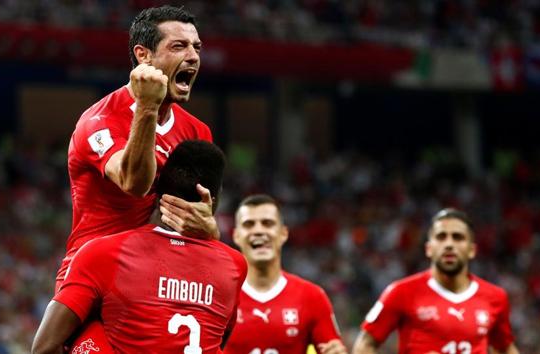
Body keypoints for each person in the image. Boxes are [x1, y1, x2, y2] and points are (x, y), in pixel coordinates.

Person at [32, 140, 248, 354]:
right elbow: (220, 339)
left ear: (155, 188)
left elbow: (44, 347)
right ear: (213, 199)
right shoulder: (235, 266)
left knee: (86, 333)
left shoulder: (103, 253)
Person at [57, 5, 216, 292]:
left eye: (197, 47)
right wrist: (147, 106)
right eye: (179, 46)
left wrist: (209, 228)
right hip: (93, 280)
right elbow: (134, 183)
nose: (193, 56)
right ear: (144, 55)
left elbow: (191, 219)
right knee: (54, 341)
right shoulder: (99, 121)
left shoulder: (197, 132)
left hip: (153, 282)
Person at [352, 208, 520, 354]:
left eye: (458, 237)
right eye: (441, 237)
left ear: (472, 250)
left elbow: (504, 349)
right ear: (429, 249)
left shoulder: (495, 297)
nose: (449, 244)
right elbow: (364, 345)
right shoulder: (400, 292)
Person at [224, 194, 347, 354]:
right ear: (236, 235)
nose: (259, 230)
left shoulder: (312, 297)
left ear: (284, 233)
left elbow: (333, 349)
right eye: (249, 224)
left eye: (267, 223)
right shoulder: (220, 296)